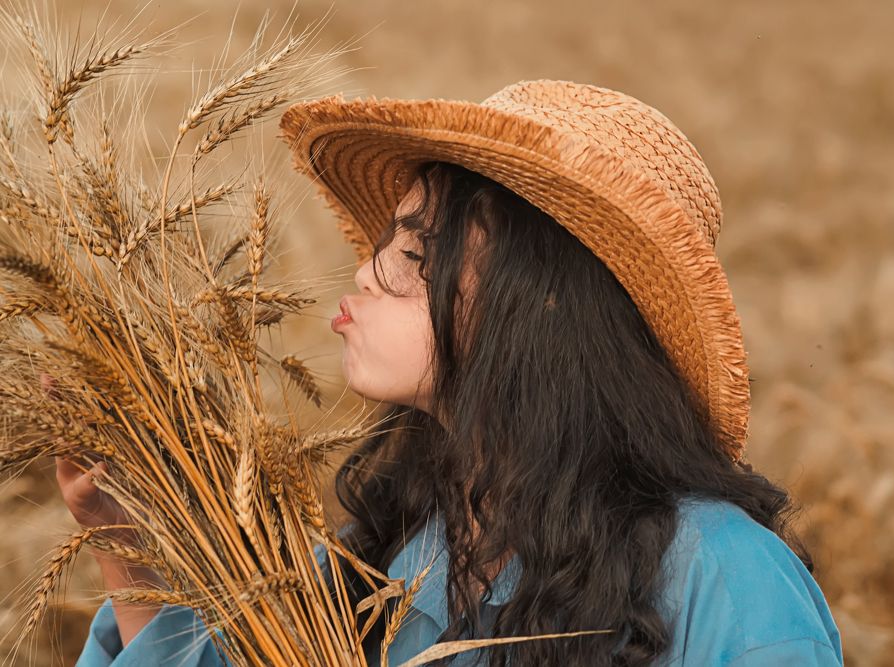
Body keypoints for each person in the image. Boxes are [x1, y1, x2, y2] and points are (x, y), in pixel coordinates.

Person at [68, 80, 843, 666]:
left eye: (416, 253)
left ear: (540, 304)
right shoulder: (377, 563)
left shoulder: (728, 583)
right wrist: (123, 539)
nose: (368, 273)